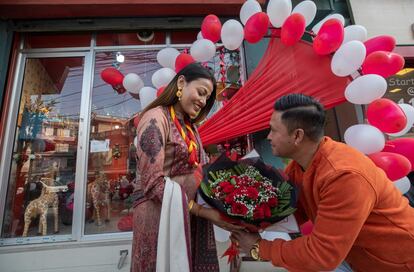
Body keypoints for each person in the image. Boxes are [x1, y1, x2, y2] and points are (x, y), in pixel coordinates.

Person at [231, 94, 414, 271]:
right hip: (354, 256)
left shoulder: (343, 175)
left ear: (297, 136)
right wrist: (242, 217)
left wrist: (259, 248)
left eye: (274, 130)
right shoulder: (301, 165)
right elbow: (289, 209)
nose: (269, 137)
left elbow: (322, 254)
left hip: (397, 262)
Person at [131, 63, 242, 272]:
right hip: (161, 218)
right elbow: (153, 183)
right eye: (201, 92)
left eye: (207, 98)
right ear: (181, 82)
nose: (203, 101)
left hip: (191, 216)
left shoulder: (189, 126)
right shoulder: (156, 118)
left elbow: (196, 168)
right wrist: (202, 211)